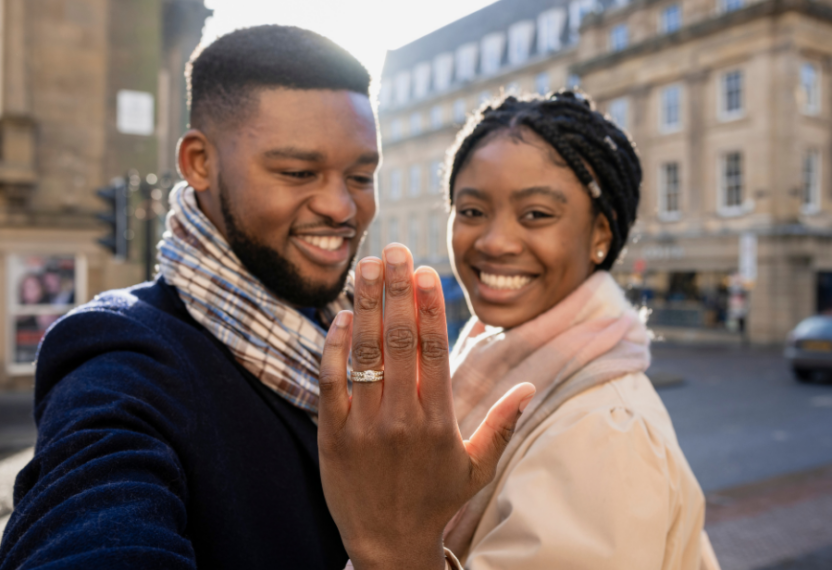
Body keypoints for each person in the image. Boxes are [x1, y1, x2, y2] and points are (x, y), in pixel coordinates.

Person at [0, 25, 526, 570]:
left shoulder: (349, 339)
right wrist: (395, 549)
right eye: (298, 172)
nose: (341, 207)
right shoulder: (121, 354)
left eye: (362, 176)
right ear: (199, 162)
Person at [432, 92, 718, 568]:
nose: (494, 241)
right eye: (471, 211)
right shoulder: (490, 354)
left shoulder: (602, 430)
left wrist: (389, 533)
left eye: (536, 215)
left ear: (601, 234)